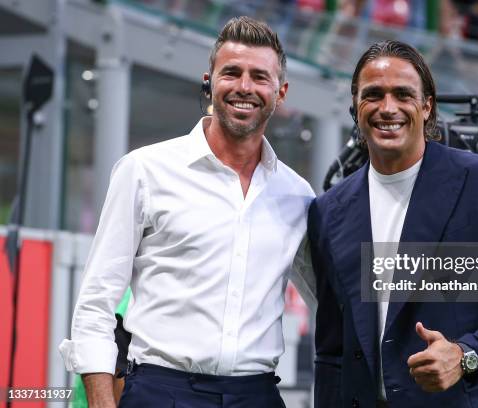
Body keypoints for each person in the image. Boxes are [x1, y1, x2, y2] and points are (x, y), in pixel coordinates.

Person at [60, 16, 315, 408]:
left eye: (259, 77)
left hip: (258, 394)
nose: (244, 87)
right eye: (232, 72)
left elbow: (331, 303)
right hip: (160, 391)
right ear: (209, 81)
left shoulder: (298, 195)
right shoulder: (144, 170)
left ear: (280, 93)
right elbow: (95, 304)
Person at [308, 40, 478, 408]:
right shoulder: (328, 210)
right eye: (373, 94)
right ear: (355, 108)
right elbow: (332, 350)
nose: (387, 108)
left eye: (403, 94)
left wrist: (466, 354)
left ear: (426, 107)